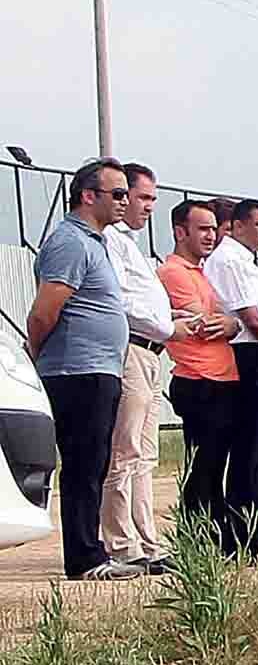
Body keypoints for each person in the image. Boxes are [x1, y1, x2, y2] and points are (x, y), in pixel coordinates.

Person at [25, 159, 143, 580]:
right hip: (77, 371)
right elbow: (43, 313)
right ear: (88, 196)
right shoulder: (71, 243)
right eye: (117, 194)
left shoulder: (94, 243)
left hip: (96, 369)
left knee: (94, 462)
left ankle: (90, 549)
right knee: (83, 463)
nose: (125, 201)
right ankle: (84, 557)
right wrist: (36, 352)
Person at [156, 200, 255, 554]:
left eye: (214, 228)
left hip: (221, 378)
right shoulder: (174, 272)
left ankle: (213, 536)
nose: (211, 236)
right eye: (203, 229)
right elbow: (205, 324)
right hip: (198, 379)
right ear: (180, 232)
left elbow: (229, 321)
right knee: (204, 466)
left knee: (214, 467)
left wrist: (231, 322)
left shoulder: (203, 272)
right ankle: (196, 538)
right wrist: (227, 322)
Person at [100, 163, 178, 571]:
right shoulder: (110, 241)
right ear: (122, 196)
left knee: (145, 452)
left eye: (152, 198)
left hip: (151, 351)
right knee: (125, 450)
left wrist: (170, 321)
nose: (149, 206)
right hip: (130, 347)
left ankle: (146, 540)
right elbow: (117, 300)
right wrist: (166, 323)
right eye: (143, 197)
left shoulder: (131, 244)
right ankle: (120, 542)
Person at [205, 199, 258, 560]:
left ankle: (248, 534)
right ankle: (248, 539)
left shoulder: (246, 261)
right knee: (249, 453)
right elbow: (252, 318)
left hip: (256, 356)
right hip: (247, 356)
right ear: (237, 226)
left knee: (256, 452)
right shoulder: (229, 260)